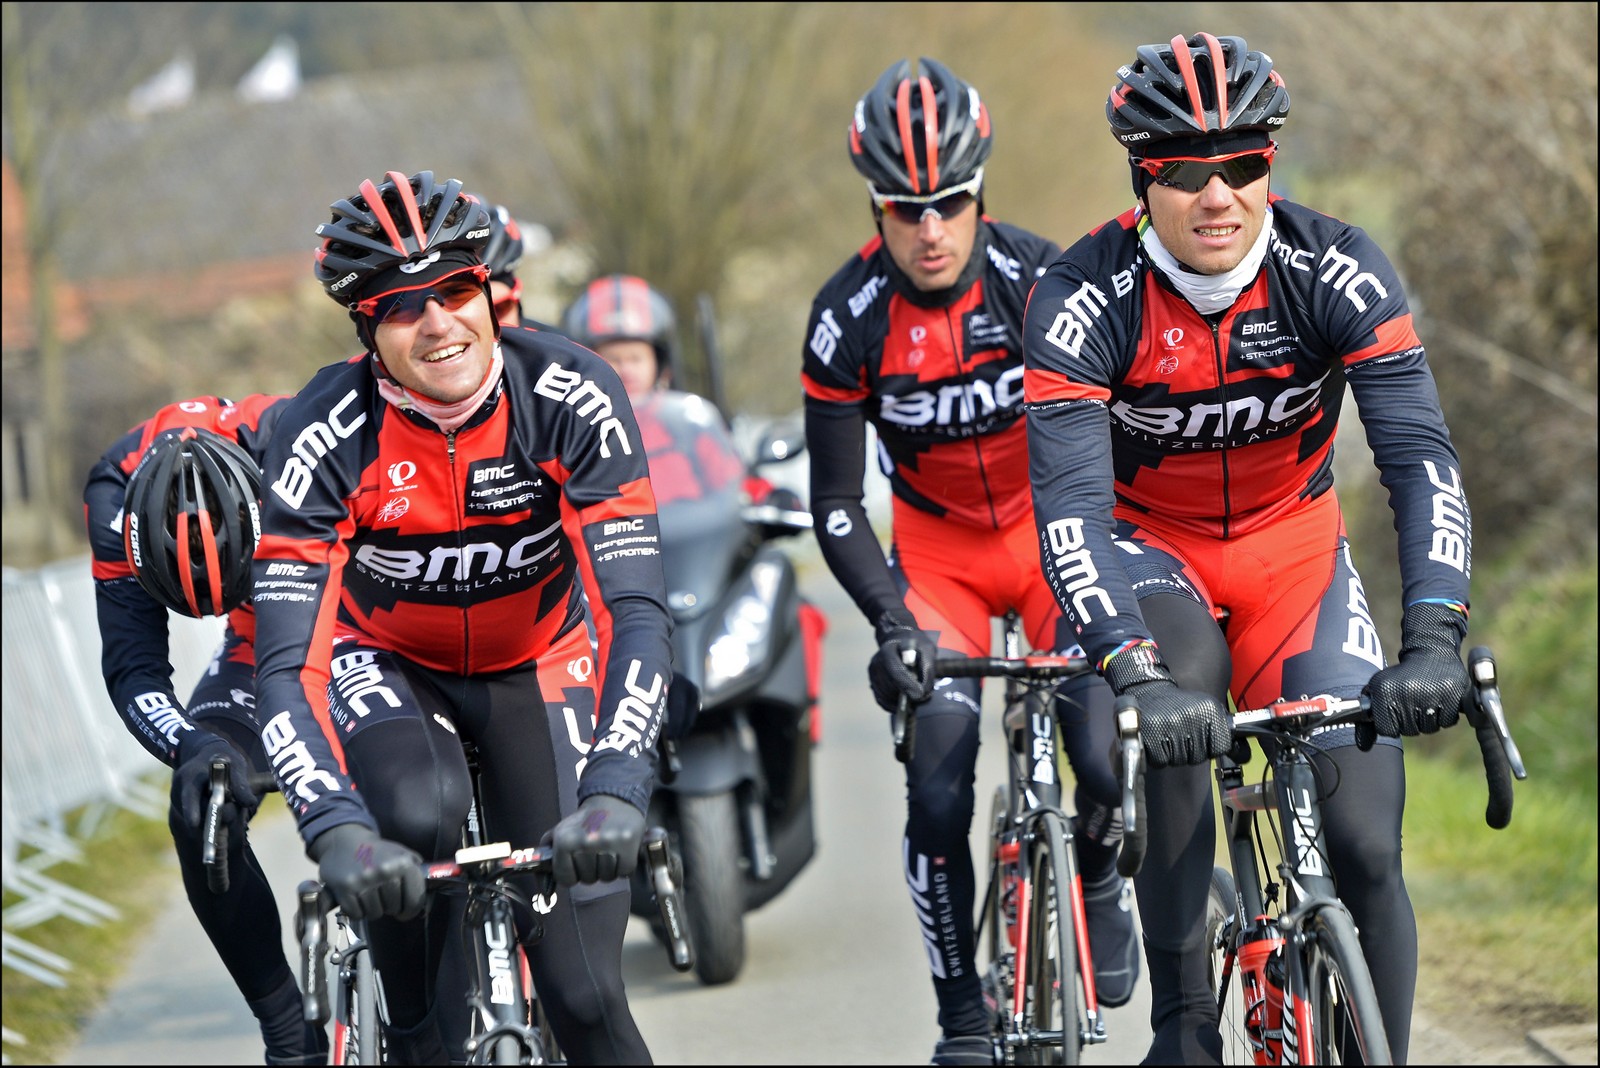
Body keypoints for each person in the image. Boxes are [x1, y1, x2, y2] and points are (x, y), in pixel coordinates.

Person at [1022, 32, 1475, 1065]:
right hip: (1151, 552)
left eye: (1241, 165)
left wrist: (1435, 636)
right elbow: (1070, 514)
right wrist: (1131, 670)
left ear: (1270, 165)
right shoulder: (1082, 297)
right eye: (1185, 172)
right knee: (1180, 705)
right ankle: (1184, 1021)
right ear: (1143, 182)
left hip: (1294, 554)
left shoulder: (1337, 267)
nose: (1217, 195)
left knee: (1366, 843)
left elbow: (1420, 461)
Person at [250, 170, 672, 1065]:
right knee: (418, 811)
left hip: (540, 659)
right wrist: (335, 828)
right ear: (366, 331)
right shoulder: (322, 433)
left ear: (488, 289)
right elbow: (286, 671)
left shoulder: (570, 392)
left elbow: (633, 609)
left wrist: (617, 784)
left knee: (588, 999)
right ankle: (416, 1031)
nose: (438, 322)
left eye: (452, 289)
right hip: (390, 661)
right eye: (402, 308)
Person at [800, 58, 1137, 1066]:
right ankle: (961, 1015)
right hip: (937, 559)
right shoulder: (846, 318)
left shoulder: (1041, 280)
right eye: (905, 209)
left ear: (980, 190)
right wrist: (889, 622)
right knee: (940, 792)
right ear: (875, 206)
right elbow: (834, 502)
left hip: (1050, 540)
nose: (930, 228)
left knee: (1103, 759)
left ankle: (1100, 871)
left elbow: (1116, 431)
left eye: (949, 201)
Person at [83, 397, 327, 1066]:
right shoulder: (113, 494)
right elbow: (134, 670)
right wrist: (195, 746)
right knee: (201, 803)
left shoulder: (299, 431)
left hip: (357, 620)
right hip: (254, 647)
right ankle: (287, 1031)